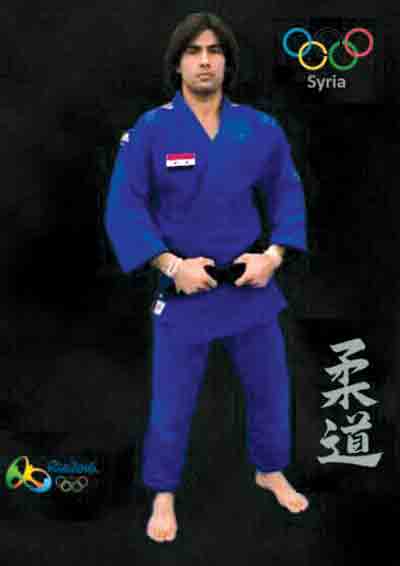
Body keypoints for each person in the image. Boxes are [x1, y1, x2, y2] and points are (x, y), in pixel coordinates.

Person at [104, 12, 309, 543]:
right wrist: (172, 266)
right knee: (172, 402)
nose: (204, 61)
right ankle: (163, 493)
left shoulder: (258, 129)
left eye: (214, 51)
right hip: (185, 289)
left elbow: (287, 193)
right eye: (193, 51)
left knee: (271, 389)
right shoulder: (151, 130)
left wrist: (272, 257)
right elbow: (124, 207)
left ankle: (269, 470)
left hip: (249, 285)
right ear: (177, 63)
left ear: (227, 63)